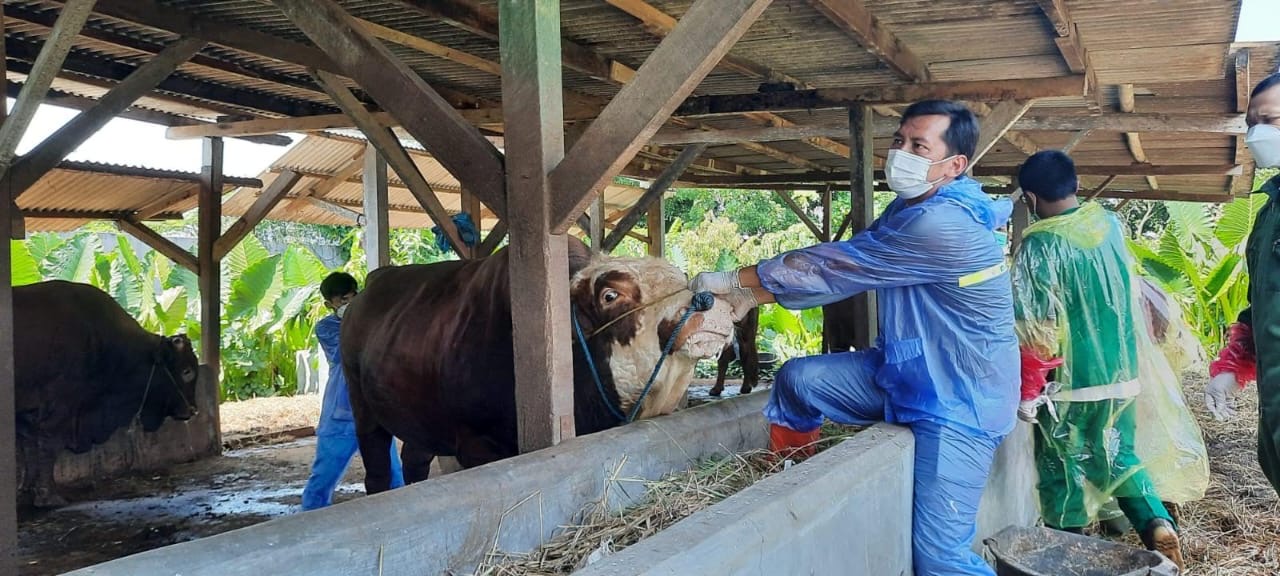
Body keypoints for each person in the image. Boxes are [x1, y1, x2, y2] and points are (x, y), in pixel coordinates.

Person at [691, 100, 1018, 576]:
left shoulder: (941, 223)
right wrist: (747, 299)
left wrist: (734, 283)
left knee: (939, 558)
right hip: (906, 372)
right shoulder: (912, 207)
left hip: (959, 398)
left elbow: (838, 267)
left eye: (918, 146)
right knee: (798, 381)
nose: (901, 153)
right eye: (899, 141)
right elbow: (850, 259)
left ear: (955, 165)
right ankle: (788, 478)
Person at [1010, 151, 1183, 568]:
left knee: (1059, 467)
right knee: (1119, 455)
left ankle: (1064, 550)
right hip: (1121, 373)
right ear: (1076, 184)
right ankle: (1156, 522)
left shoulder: (1040, 244)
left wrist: (1029, 391)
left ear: (1031, 199)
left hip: (1068, 383)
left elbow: (1037, 326)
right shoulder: (1109, 225)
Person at [1205, 71, 1280, 495]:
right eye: (1253, 122)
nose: (1258, 133)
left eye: (1271, 120)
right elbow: (1262, 304)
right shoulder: (1271, 211)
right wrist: (1234, 367)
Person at [301, 272, 405, 510]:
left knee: (393, 476)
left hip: (374, 412)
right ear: (330, 305)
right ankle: (309, 521)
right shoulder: (326, 327)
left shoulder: (372, 320)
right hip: (341, 415)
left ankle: (399, 516)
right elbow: (344, 353)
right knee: (323, 477)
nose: (349, 304)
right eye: (342, 300)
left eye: (352, 297)